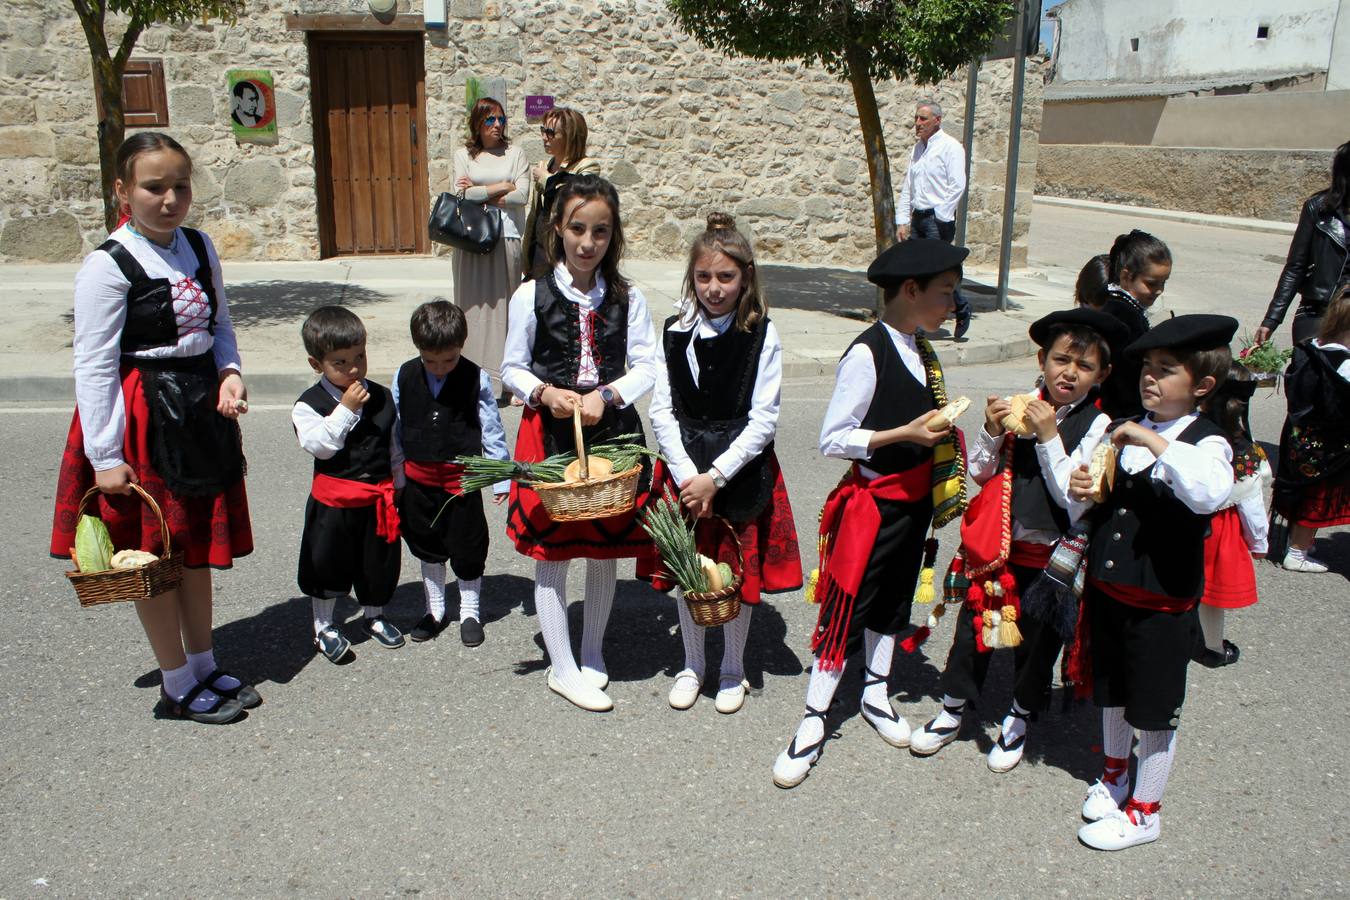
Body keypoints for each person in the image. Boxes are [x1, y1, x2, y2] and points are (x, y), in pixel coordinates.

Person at [50, 132, 257, 725]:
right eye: (154, 186)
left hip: (199, 411)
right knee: (155, 558)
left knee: (191, 549)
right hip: (142, 418)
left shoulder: (197, 244)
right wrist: (105, 455)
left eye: (180, 186)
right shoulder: (106, 265)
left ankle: (203, 662)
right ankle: (175, 682)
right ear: (122, 189)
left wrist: (231, 373)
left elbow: (220, 325)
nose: (170, 198)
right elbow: (92, 365)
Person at [771, 239, 968, 789]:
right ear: (911, 290)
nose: (953, 303)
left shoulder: (921, 349)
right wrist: (904, 434)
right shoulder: (869, 352)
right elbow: (834, 438)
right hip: (873, 507)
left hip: (912, 509)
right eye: (946, 292)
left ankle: (875, 694)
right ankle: (813, 719)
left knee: (893, 603)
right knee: (846, 611)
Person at [908, 308, 1127, 772]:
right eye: (1061, 359)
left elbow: (1075, 500)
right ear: (1042, 359)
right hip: (998, 552)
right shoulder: (1019, 402)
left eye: (1084, 366)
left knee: (1037, 646)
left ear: (1102, 375)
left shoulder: (1098, 427)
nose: (1069, 373)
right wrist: (990, 429)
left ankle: (1020, 715)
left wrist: (1048, 437)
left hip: (1052, 559)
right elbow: (981, 472)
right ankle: (953, 709)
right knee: (973, 635)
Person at [1068, 314, 1237, 851]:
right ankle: (1116, 774)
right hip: (1111, 592)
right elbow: (1094, 498)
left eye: (1166, 370)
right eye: (1147, 367)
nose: (1150, 378)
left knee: (1155, 706)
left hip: (1161, 604)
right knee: (1113, 693)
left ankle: (1147, 810)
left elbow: (1209, 492)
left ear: (1202, 386)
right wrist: (1083, 485)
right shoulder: (1127, 428)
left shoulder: (1207, 443)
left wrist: (1153, 441)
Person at [501, 175, 660, 713]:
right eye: (577, 229)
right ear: (558, 230)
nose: (588, 242)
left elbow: (646, 365)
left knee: (603, 548)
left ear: (612, 236)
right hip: (551, 434)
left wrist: (609, 395)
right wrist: (544, 393)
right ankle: (561, 666)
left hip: (612, 431)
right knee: (553, 551)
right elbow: (512, 367)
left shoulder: (627, 296)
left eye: (600, 231)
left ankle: (591, 649)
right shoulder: (531, 294)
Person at [644, 213, 803, 714]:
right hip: (685, 471)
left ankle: (733, 667)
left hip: (738, 473)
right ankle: (693, 664)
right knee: (693, 571)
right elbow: (661, 410)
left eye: (726, 277)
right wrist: (687, 475)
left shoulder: (763, 335)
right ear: (691, 278)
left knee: (733, 573)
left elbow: (763, 421)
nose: (714, 288)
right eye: (703, 277)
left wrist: (715, 478)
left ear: (746, 278)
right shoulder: (672, 331)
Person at [394, 300, 511, 647]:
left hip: (461, 483)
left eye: (449, 359)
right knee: (426, 546)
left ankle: (470, 610)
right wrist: (396, 478)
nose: (440, 368)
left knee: (467, 546)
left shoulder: (476, 378)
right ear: (419, 350)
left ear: (461, 347)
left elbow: (491, 429)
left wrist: (499, 475)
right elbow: (396, 431)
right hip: (418, 481)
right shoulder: (404, 375)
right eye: (431, 361)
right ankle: (435, 610)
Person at [293, 307, 405, 663]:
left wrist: (400, 486)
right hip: (334, 504)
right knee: (327, 565)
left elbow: (394, 447)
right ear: (317, 364)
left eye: (360, 357)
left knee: (377, 563)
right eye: (341, 362)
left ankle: (374, 615)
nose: (354, 369)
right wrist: (345, 409)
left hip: (377, 500)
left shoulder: (383, 396)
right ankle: (324, 626)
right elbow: (321, 447)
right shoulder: (308, 405)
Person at [452, 97, 530, 399]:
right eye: (490, 120)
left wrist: (479, 192)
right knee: (471, 311)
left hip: (506, 238)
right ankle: (472, 379)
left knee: (507, 312)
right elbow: (460, 194)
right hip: (470, 241)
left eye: (501, 120)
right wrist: (502, 186)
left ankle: (508, 383)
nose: (497, 125)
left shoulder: (516, 154)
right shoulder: (463, 155)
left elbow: (521, 195)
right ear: (477, 123)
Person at [1271, 285, 1350, 573]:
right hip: (1328, 445)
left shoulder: (1312, 348)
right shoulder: (1343, 364)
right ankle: (1297, 552)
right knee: (1316, 496)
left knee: (1305, 491)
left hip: (1300, 435)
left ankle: (1298, 542)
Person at [1194, 364, 1268, 666]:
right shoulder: (1247, 455)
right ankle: (1211, 647)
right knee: (1210, 599)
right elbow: (1252, 505)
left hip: (1185, 524)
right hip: (1218, 533)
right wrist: (1259, 542)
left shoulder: (1190, 435)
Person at [1255, 141, 1350, 347]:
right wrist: (1272, 319)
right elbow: (1295, 267)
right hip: (1318, 311)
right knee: (1308, 374)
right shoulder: (1318, 209)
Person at [894, 100, 972, 339]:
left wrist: (941, 216)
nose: (918, 124)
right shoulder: (917, 149)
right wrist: (902, 220)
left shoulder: (950, 147)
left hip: (938, 220)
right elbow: (909, 184)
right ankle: (916, 320)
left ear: (937, 120)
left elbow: (957, 184)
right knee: (916, 271)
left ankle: (961, 307)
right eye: (916, 118)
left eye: (923, 119)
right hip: (919, 217)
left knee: (940, 271)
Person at [1098, 229, 1173, 419]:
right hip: (1121, 410)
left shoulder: (1125, 308)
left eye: (1163, 283)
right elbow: (1127, 374)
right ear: (1125, 276)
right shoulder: (1122, 315)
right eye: (1151, 283)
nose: (1158, 291)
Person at [523, 107, 600, 281]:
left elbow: (573, 196)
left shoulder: (587, 167)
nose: (544, 137)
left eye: (550, 132)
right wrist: (527, 254)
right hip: (540, 251)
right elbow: (536, 214)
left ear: (569, 136)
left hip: (564, 252)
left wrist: (545, 180)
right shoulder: (545, 165)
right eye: (543, 130)